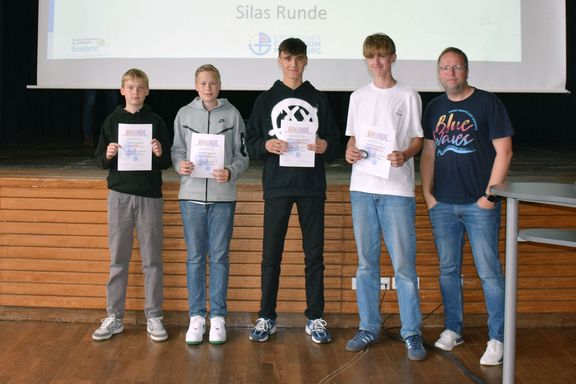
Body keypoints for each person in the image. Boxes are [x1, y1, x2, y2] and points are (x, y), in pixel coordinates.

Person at [420, 47, 514, 365]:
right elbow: (429, 153)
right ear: (438, 72)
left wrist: (489, 195)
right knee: (448, 272)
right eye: (445, 68)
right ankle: (452, 329)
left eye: (456, 67)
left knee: (489, 273)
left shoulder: (488, 103)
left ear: (466, 70)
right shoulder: (434, 107)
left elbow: (505, 151)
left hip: (479, 205)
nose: (451, 73)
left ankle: (498, 339)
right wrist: (428, 194)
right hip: (443, 204)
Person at [246, 37, 341, 344]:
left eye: (299, 59)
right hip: (277, 186)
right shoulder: (265, 100)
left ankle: (315, 317)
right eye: (288, 59)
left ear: (306, 61)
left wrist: (326, 146)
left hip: (312, 187)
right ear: (279, 60)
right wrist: (265, 145)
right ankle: (266, 317)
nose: (293, 65)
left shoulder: (319, 99)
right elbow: (249, 144)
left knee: (314, 256)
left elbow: (335, 145)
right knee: (270, 255)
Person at [343, 33, 426, 361]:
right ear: (366, 60)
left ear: (392, 57)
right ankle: (368, 326)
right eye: (371, 56)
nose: (376, 61)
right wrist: (350, 151)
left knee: (404, 266)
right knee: (366, 264)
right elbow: (352, 139)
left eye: (382, 55)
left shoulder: (407, 95)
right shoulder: (357, 96)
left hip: (396, 191)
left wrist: (405, 154)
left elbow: (418, 138)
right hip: (362, 188)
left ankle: (412, 332)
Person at [92, 68, 172, 342]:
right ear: (122, 90)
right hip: (119, 196)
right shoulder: (112, 120)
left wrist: (160, 153)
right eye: (130, 87)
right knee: (118, 261)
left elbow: (167, 161)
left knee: (152, 261)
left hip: (149, 196)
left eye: (140, 88)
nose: (135, 92)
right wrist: (109, 153)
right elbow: (100, 160)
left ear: (147, 91)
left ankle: (154, 316)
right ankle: (114, 317)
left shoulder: (156, 120)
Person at [172, 64, 249, 345]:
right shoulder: (183, 114)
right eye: (203, 83)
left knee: (219, 257)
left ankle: (217, 317)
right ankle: (196, 317)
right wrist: (180, 164)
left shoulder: (232, 114)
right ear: (196, 86)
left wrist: (231, 171)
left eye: (213, 83)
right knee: (195, 257)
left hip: (222, 197)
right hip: (190, 196)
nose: (208, 88)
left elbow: (243, 154)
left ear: (219, 85)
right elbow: (177, 150)